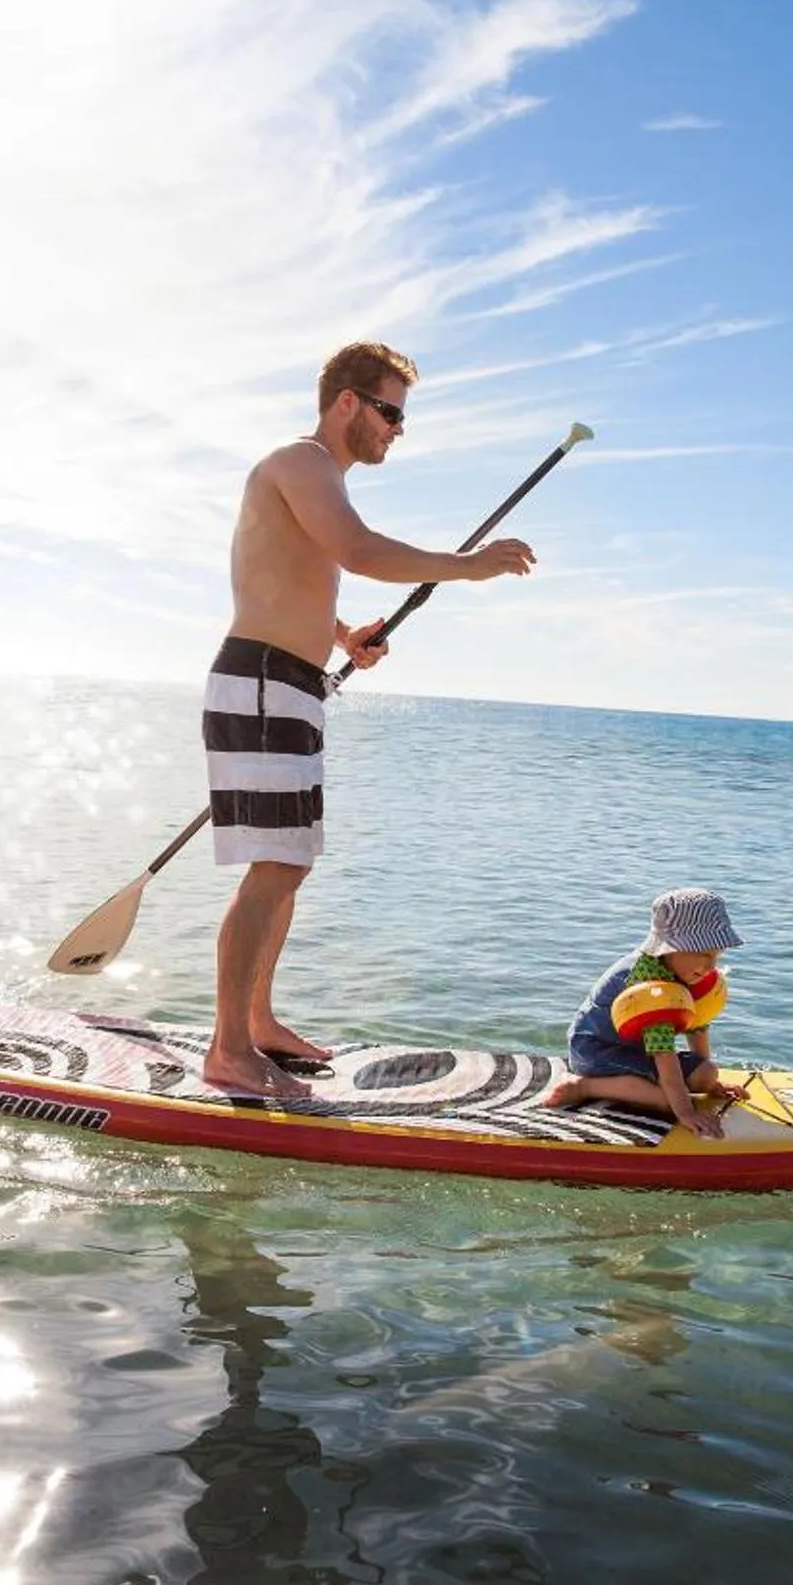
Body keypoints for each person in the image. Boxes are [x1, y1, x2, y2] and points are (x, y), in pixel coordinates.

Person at [204, 341, 535, 1097]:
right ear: (346, 402)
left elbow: (285, 577)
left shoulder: (316, 479)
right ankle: (227, 1051)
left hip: (290, 681)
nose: (397, 429)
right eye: (390, 412)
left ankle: (256, 1023)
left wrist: (343, 636)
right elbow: (355, 550)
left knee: (289, 865)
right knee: (275, 865)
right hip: (260, 681)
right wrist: (467, 565)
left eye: (401, 418)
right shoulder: (301, 460)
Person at [541, 888, 747, 1140]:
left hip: (633, 1050)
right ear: (672, 946)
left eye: (717, 955)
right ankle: (583, 1086)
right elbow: (663, 1053)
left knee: (705, 1075)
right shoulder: (650, 986)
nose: (711, 966)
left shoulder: (684, 970)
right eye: (703, 953)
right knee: (667, 1101)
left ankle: (675, 1083)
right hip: (596, 1052)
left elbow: (697, 1025)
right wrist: (685, 1111)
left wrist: (709, 1082)